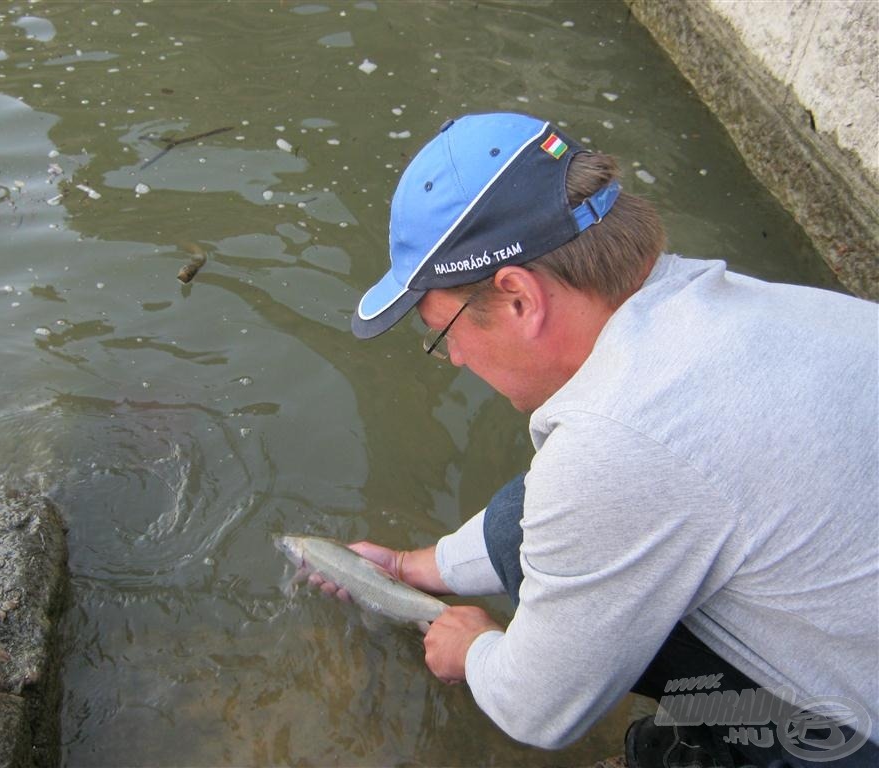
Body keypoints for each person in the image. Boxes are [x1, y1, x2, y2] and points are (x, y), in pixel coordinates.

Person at [335, 112, 879, 767]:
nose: (452, 358)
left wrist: (474, 648)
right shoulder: (711, 309)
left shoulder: (618, 440)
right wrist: (409, 570)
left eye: (444, 329)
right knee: (527, 522)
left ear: (516, 298)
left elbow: (537, 709)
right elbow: (561, 508)